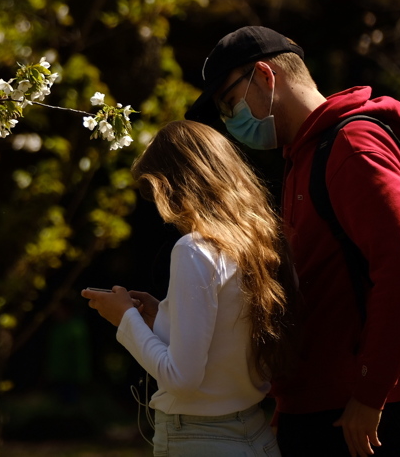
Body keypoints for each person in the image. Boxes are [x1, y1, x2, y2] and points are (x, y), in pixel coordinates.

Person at [185, 26, 400, 457]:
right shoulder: (303, 154)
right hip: (315, 409)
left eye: (230, 103)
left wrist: (370, 394)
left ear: (265, 76)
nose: (230, 122)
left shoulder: (351, 147)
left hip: (353, 418)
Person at [82, 119, 294, 457]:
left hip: (200, 438)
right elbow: (224, 338)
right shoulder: (251, 242)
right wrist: (163, 314)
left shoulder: (194, 249)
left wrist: (125, 319)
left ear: (171, 185)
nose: (162, 212)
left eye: (154, 192)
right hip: (254, 433)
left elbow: (181, 377)